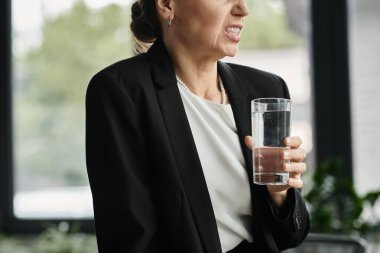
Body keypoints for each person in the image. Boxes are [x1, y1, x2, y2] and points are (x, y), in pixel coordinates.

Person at [85, 0, 310, 252]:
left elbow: (290, 236)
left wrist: (279, 194)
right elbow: (129, 240)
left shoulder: (266, 89)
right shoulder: (121, 92)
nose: (242, 9)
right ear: (167, 5)